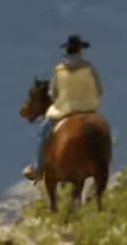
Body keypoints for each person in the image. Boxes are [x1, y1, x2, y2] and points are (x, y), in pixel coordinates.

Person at [26, 34, 103, 180]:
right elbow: (99, 89)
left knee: (43, 131)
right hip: (88, 108)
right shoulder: (89, 68)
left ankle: (37, 168)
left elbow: (52, 93)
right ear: (80, 51)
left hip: (66, 109)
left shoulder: (59, 70)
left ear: (67, 51)